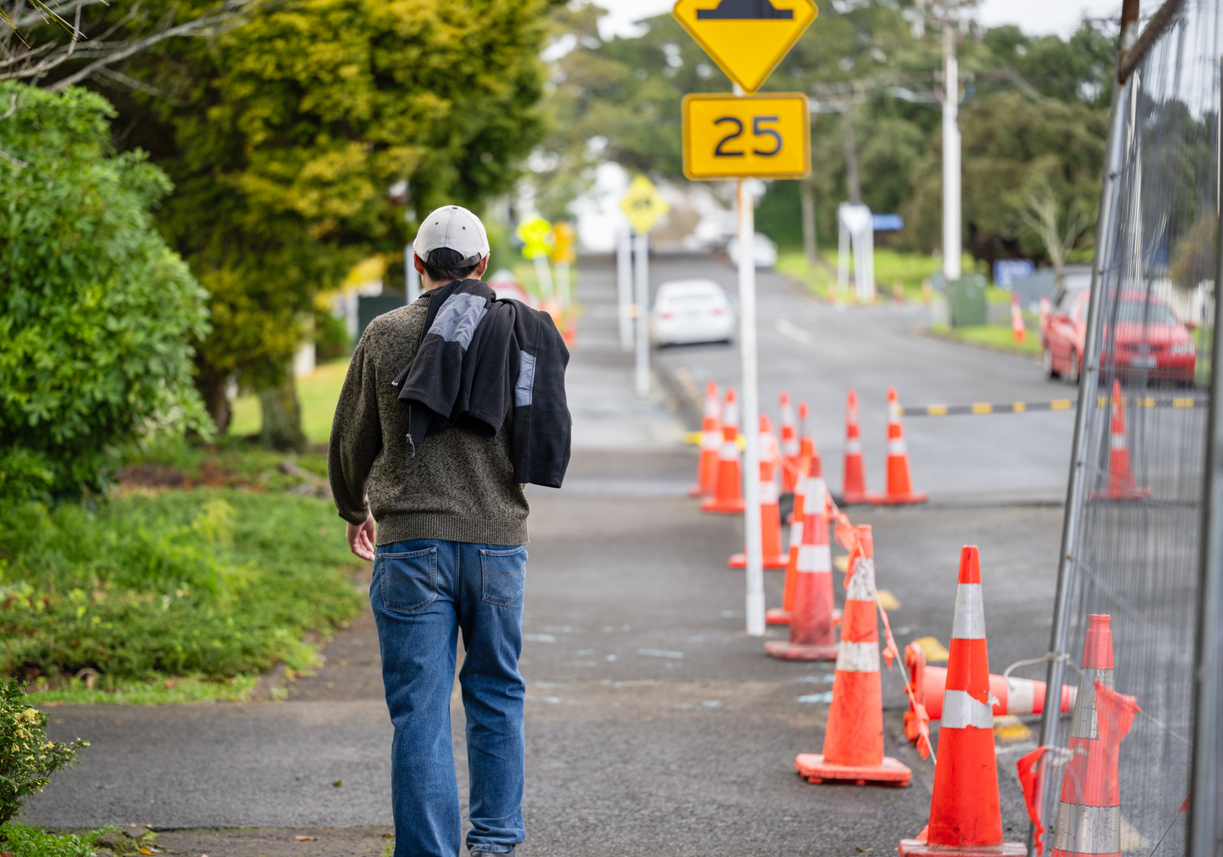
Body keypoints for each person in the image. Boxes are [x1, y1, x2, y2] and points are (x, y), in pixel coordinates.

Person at [328, 205, 571, 857]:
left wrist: (355, 510)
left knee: (421, 714)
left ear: (417, 265)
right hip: (497, 545)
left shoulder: (384, 334)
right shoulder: (518, 332)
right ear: (482, 265)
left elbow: (352, 440)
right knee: (495, 693)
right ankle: (493, 844)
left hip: (410, 546)